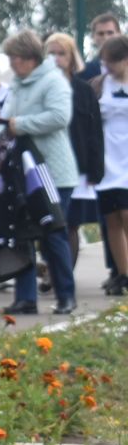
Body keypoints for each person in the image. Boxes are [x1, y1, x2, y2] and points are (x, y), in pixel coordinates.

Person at [0, 30, 77, 314]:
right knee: (22, 235)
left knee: (53, 235)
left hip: (54, 173)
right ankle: (26, 298)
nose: (12, 64)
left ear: (31, 58)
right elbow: (7, 120)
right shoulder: (17, 85)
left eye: (15, 58)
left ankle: (66, 295)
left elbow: (60, 117)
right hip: (21, 174)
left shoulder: (54, 82)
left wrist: (21, 124)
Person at [48, 31, 105, 275]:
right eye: (51, 54)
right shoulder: (41, 89)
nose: (56, 59)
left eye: (62, 54)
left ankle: (63, 277)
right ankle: (51, 269)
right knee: (48, 223)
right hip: (47, 166)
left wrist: (95, 168)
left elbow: (94, 131)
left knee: (70, 224)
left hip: (78, 167)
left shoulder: (83, 91)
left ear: (72, 58)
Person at [93, 34, 128, 296]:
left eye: (112, 62)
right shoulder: (99, 84)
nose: (108, 68)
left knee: (126, 215)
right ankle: (123, 273)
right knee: (111, 218)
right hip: (107, 158)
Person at [83, 13, 121, 83]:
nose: (106, 37)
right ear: (93, 37)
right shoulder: (84, 71)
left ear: (119, 34)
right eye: (101, 34)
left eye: (110, 33)